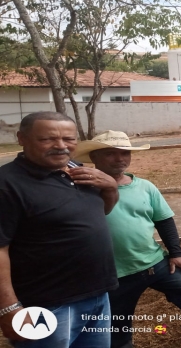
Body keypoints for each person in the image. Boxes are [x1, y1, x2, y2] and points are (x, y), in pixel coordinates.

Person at [75, 131, 181, 348]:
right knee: (117, 320)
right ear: (93, 157)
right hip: (114, 273)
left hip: (153, 262)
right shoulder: (82, 190)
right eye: (110, 154)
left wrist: (176, 254)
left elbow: (164, 220)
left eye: (124, 152)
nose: (119, 158)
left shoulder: (145, 187)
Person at [0, 112, 119, 347]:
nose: (61, 146)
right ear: (21, 138)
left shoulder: (77, 170)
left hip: (97, 294)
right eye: (47, 139)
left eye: (69, 139)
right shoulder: (7, 184)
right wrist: (8, 308)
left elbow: (97, 213)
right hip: (45, 303)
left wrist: (111, 189)